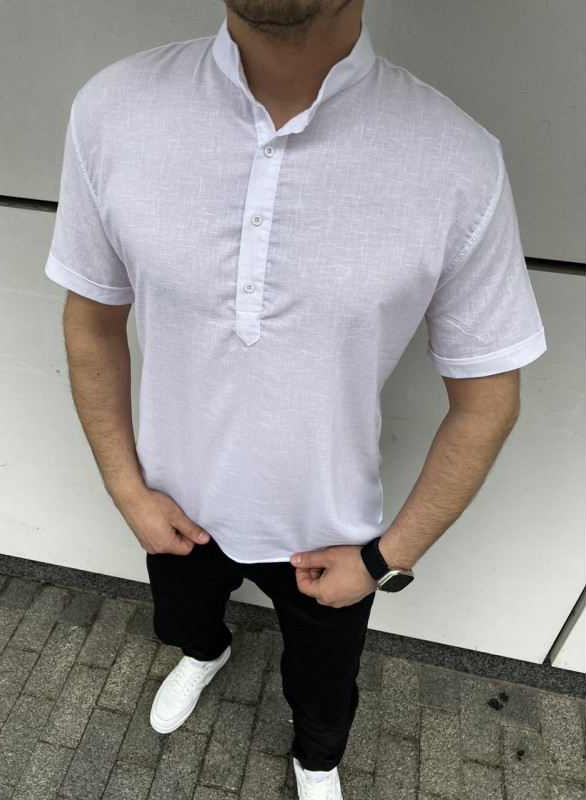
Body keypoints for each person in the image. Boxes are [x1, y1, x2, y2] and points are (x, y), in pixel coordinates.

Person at [43, 1, 547, 797]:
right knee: (182, 622)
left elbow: (488, 401)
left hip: (329, 536)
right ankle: (207, 652)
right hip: (173, 508)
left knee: (323, 691)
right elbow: (92, 319)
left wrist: (384, 560)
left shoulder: (456, 159)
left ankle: (316, 760)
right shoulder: (113, 108)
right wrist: (125, 488)